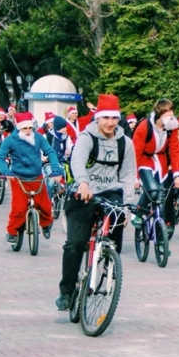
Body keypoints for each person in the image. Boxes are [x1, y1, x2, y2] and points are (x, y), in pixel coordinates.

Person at [55, 94, 136, 311]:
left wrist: (127, 206)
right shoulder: (86, 137)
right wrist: (82, 184)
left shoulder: (125, 143)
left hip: (111, 192)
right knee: (75, 244)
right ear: (97, 118)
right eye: (105, 118)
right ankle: (67, 291)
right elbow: (77, 160)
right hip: (84, 192)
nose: (110, 123)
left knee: (118, 219)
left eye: (114, 118)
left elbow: (129, 174)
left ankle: (108, 261)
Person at [0, 112, 64, 244]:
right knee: (18, 208)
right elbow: (0, 158)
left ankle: (46, 224)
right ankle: (12, 232)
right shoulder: (10, 140)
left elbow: (50, 152)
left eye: (30, 128)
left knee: (45, 205)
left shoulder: (38, 138)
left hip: (36, 176)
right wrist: (6, 171)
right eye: (24, 128)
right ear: (18, 128)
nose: (27, 131)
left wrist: (55, 169)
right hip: (18, 178)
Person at [131, 99, 179, 236]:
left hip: (161, 161)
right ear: (159, 114)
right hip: (144, 160)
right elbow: (135, 153)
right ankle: (138, 212)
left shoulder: (171, 127)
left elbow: (175, 150)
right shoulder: (144, 127)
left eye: (172, 112)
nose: (171, 116)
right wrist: (134, 177)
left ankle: (161, 231)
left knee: (164, 194)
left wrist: (178, 174)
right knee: (153, 190)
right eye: (168, 113)